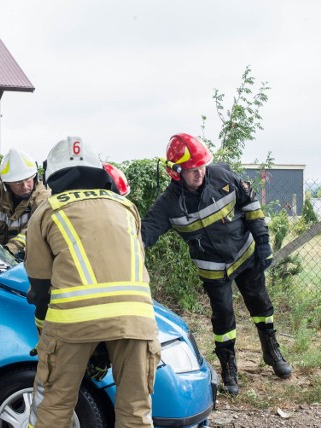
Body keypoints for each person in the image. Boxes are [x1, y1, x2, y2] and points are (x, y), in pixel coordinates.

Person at [141, 133, 292, 396]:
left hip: (245, 255)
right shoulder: (168, 204)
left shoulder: (223, 176)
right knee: (223, 316)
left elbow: (251, 206)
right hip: (212, 268)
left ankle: (272, 351)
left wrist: (263, 242)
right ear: (176, 172)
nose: (199, 173)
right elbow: (145, 234)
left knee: (261, 305)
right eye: (191, 169)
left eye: (201, 166)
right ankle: (228, 368)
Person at [25, 136, 160, 427]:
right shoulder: (126, 207)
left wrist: (46, 336)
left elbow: (39, 289)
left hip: (72, 323)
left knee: (54, 405)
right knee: (136, 412)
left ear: (52, 175)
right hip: (138, 321)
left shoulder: (46, 211)